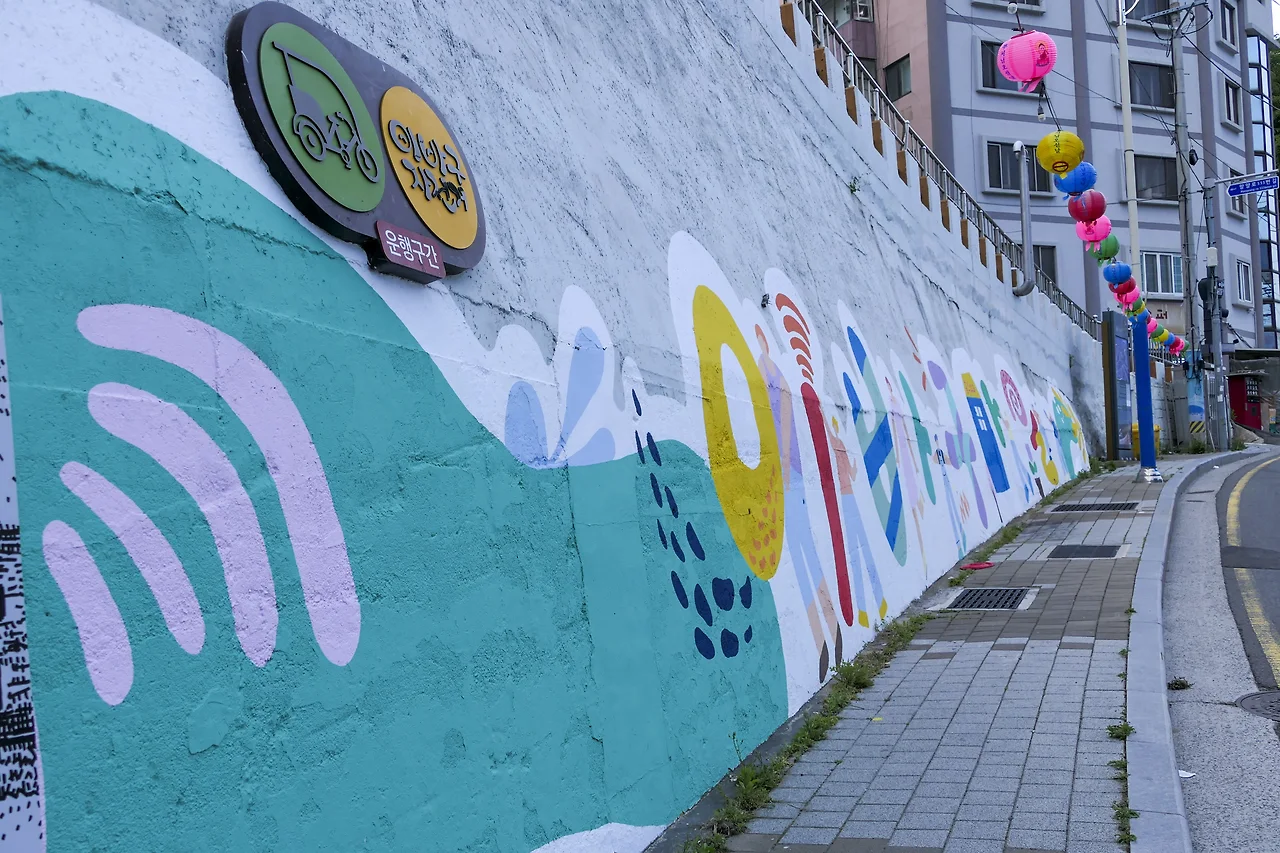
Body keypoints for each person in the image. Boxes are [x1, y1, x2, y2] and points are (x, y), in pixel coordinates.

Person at [756, 326, 841, 679]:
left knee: (807, 558)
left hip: (789, 482)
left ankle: (828, 635)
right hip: (788, 482)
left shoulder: (777, 380)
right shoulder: (770, 377)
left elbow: (785, 432)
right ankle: (825, 639)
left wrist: (783, 470)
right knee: (806, 561)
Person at [827, 415, 887, 628]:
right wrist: (851, 464)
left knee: (856, 552)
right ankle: (878, 601)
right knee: (863, 549)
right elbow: (852, 474)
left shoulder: (836, 444)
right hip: (850, 498)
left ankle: (864, 607)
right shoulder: (841, 445)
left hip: (846, 501)